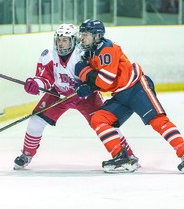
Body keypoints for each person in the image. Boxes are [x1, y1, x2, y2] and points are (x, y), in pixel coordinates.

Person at [13, 24, 140, 171]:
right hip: (58, 94)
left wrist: (90, 86)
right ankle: (26, 155)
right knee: (36, 121)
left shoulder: (84, 53)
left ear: (73, 40)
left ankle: (128, 155)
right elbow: (44, 78)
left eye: (65, 40)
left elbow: (96, 78)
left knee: (104, 123)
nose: (61, 43)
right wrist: (35, 84)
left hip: (85, 97)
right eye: (59, 40)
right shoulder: (48, 54)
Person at [74, 19, 184, 173]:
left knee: (157, 121)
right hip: (120, 94)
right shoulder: (89, 52)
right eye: (82, 34)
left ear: (97, 35)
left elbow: (104, 81)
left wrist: (84, 74)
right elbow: (99, 81)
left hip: (136, 88)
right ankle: (122, 156)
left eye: (85, 35)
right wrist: (86, 86)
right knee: (99, 119)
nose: (82, 38)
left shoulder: (107, 49)